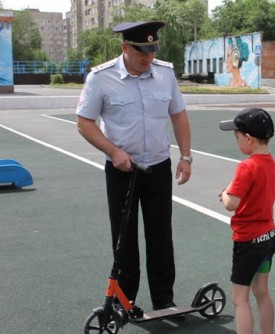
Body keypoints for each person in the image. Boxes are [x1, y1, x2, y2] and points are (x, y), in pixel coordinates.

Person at [75, 21, 192, 312]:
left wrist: (186, 157)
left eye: (152, 51)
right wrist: (113, 151)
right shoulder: (100, 78)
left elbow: (178, 115)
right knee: (123, 237)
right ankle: (124, 300)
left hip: (157, 167)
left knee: (161, 235)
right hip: (121, 171)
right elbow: (84, 123)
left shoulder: (165, 74)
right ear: (125, 47)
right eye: (141, 52)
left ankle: (164, 300)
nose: (148, 58)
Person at [218, 108, 275, 334]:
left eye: (237, 138)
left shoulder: (246, 166)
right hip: (268, 237)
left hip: (249, 241)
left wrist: (225, 192)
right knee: (262, 291)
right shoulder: (273, 166)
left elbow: (231, 203)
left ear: (249, 138)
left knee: (239, 299)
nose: (237, 143)